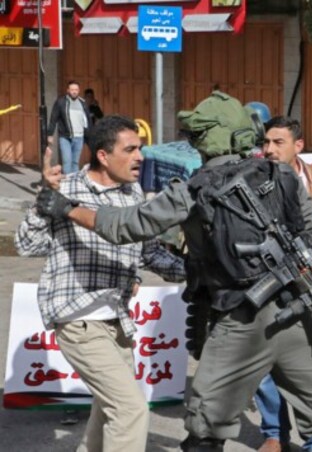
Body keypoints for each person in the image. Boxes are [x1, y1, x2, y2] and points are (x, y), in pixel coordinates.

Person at [34, 91, 312, 452]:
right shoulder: (284, 176)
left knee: (205, 433)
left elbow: (125, 226)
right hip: (300, 316)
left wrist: (67, 208)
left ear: (204, 141)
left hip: (240, 325)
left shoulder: (193, 190)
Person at [16, 115, 186, 451]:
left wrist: (196, 271)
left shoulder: (133, 193)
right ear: (104, 156)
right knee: (130, 409)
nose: (141, 156)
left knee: (109, 410)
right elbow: (26, 246)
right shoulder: (67, 188)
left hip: (117, 322)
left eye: (140, 148)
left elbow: (151, 253)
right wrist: (41, 205)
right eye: (131, 149)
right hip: (78, 321)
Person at [253, 116, 312, 452]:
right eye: (266, 142)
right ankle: (273, 432)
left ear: (299, 145)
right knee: (265, 364)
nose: (269, 150)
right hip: (267, 286)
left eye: (278, 143)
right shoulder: (252, 180)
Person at [48, 80, 93, 174]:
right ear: (68, 90)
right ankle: (67, 184)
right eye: (72, 89)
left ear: (79, 90)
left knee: (75, 162)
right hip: (65, 137)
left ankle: (74, 185)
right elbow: (53, 118)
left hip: (79, 137)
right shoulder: (61, 102)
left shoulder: (82, 103)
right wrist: (50, 134)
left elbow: (87, 120)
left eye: (76, 89)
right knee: (67, 162)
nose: (74, 91)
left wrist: (90, 135)